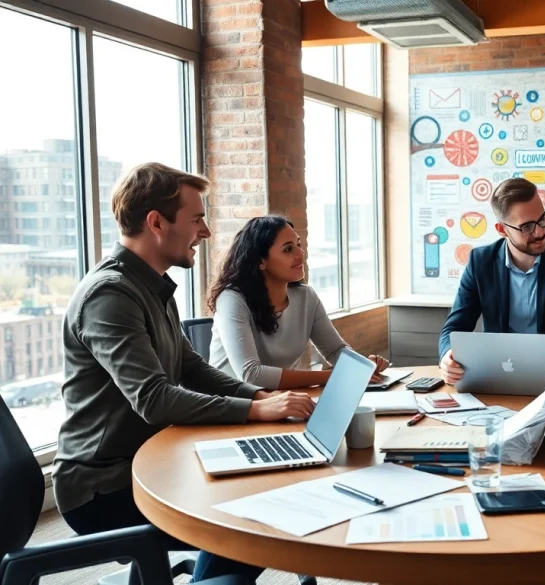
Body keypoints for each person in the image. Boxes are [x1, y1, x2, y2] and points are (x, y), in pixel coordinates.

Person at [54, 163, 315, 585]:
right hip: (105, 486)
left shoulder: (152, 286)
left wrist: (259, 398)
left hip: (153, 460)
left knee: (268, 487)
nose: (207, 232)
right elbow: (154, 399)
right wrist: (254, 409)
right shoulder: (109, 295)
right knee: (253, 518)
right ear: (156, 222)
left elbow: (192, 369)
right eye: (196, 219)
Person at [438, 178, 545, 384]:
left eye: (542, 219)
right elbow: (454, 328)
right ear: (502, 230)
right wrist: (448, 356)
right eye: (527, 227)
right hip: (496, 376)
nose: (540, 231)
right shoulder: (480, 262)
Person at [207, 215, 389, 389]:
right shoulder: (232, 299)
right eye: (288, 249)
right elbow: (252, 374)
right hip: (229, 406)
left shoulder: (305, 296)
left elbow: (334, 350)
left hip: (277, 401)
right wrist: (335, 375)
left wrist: (363, 366)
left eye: (298, 245)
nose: (300, 254)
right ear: (260, 261)